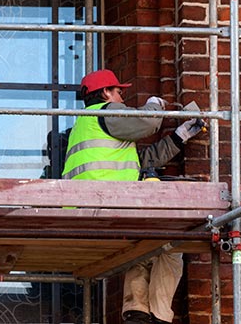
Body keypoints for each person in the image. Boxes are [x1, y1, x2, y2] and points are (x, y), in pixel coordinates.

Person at [62, 69, 205, 324]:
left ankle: (137, 312)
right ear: (106, 93)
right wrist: (155, 105)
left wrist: (181, 135)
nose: (122, 98)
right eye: (119, 92)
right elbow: (148, 122)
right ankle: (160, 316)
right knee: (172, 244)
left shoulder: (86, 127)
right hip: (108, 205)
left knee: (141, 246)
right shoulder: (106, 112)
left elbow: (142, 160)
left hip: (90, 209)